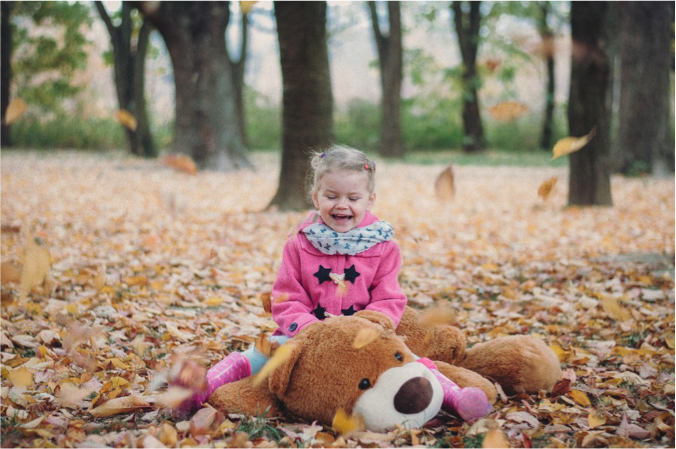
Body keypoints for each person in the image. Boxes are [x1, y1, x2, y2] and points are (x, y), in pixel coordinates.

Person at [170, 145, 491, 421]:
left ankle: (456, 399)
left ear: (370, 199)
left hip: (366, 336)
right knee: (255, 355)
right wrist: (307, 329)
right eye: (331, 196)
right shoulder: (299, 243)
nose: (342, 205)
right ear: (315, 196)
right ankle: (200, 389)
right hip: (304, 337)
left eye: (353, 197)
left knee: (408, 359)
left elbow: (389, 297)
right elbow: (286, 296)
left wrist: (372, 325)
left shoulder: (383, 246)